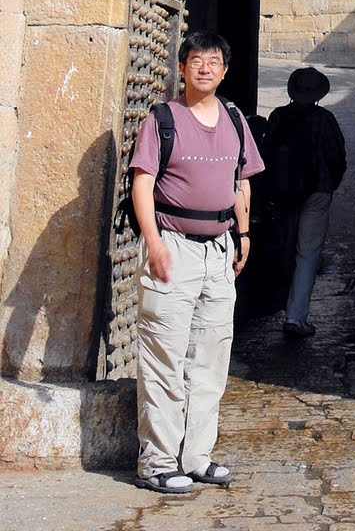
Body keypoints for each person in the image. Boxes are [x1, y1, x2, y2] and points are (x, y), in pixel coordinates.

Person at [129, 30, 264, 495]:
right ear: (182, 68)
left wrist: (243, 233)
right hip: (174, 245)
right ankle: (158, 462)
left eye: (213, 61)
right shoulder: (162, 120)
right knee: (164, 355)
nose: (205, 68)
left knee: (211, 356)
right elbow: (142, 184)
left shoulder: (235, 119)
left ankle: (197, 456)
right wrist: (154, 242)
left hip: (220, 248)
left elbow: (241, 182)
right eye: (196, 61)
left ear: (225, 71)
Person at [264, 66, 346, 337]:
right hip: (317, 192)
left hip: (283, 193)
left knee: (285, 247)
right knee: (307, 252)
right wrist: (328, 185)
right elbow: (337, 158)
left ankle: (274, 303)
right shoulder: (325, 119)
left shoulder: (278, 116)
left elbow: (265, 155)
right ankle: (296, 316)